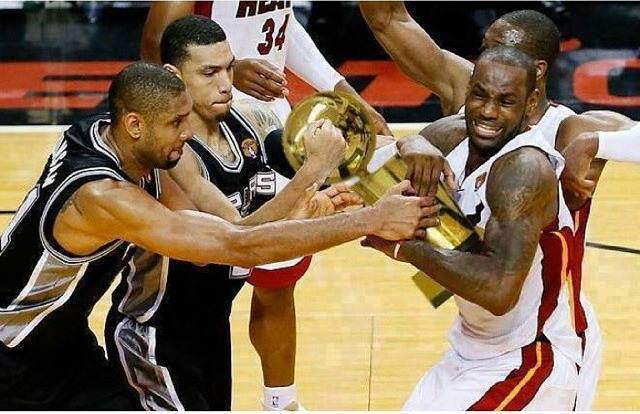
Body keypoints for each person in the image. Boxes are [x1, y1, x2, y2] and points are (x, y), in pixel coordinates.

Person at [0, 61, 436, 410]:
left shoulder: (110, 133)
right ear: (135, 125)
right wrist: (368, 219)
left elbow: (231, 232)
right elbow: (235, 246)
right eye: (176, 123)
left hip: (64, 341)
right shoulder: (103, 197)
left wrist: (301, 207)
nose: (188, 133)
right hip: (13, 355)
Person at [105, 16, 365, 410]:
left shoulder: (251, 121)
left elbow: (264, 219)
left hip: (211, 329)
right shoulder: (170, 155)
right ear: (174, 75)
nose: (225, 83)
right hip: (155, 337)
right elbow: (233, 237)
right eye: (209, 73)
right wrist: (312, 173)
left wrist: (313, 205)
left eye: (229, 68)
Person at [361, 5, 607, 408]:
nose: (489, 109)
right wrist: (408, 142)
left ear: (534, 85)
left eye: (506, 99)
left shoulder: (550, 143)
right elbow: (364, 178)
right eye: (483, 54)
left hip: (536, 346)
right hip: (473, 342)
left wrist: (595, 143)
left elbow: (497, 289)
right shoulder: (456, 130)